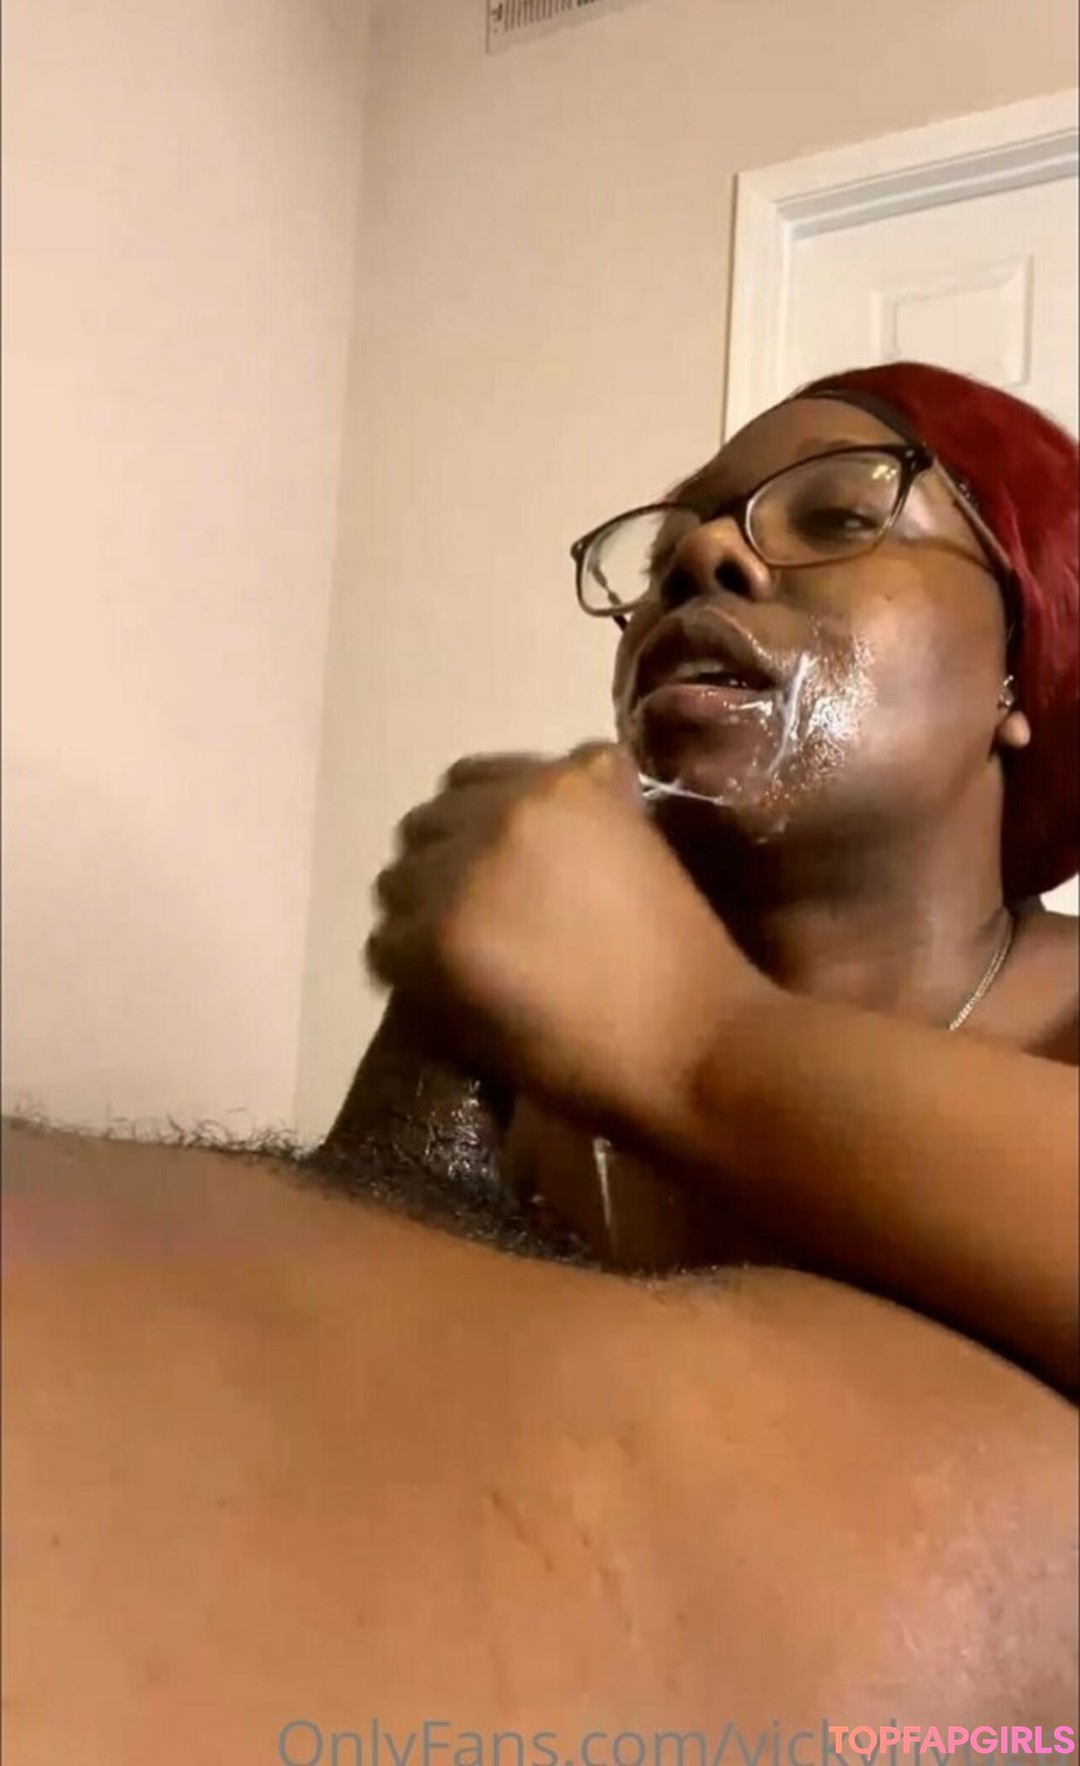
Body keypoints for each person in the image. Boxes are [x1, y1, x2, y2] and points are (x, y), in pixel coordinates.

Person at [4, 364, 1077, 1758]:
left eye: (837, 514)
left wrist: (690, 1034)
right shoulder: (504, 1019)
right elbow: (324, 1379)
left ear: (1023, 666)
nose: (706, 553)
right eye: (665, 550)